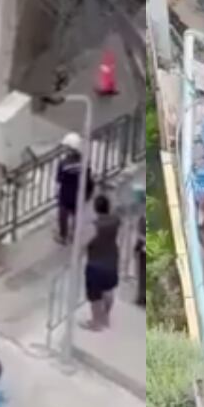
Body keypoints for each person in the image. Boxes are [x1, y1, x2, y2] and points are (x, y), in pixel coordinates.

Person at [82, 194, 122, 331]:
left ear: (95, 209)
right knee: (108, 290)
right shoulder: (115, 220)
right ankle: (106, 317)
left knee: (94, 295)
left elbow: (84, 242)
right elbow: (117, 210)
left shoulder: (94, 226)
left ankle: (96, 322)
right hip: (111, 260)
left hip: (95, 263)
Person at [54, 133, 85, 244]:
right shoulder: (83, 161)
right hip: (78, 193)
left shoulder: (64, 163)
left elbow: (59, 179)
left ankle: (63, 236)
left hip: (65, 194)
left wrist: (57, 193)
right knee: (76, 214)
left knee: (63, 215)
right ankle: (74, 235)